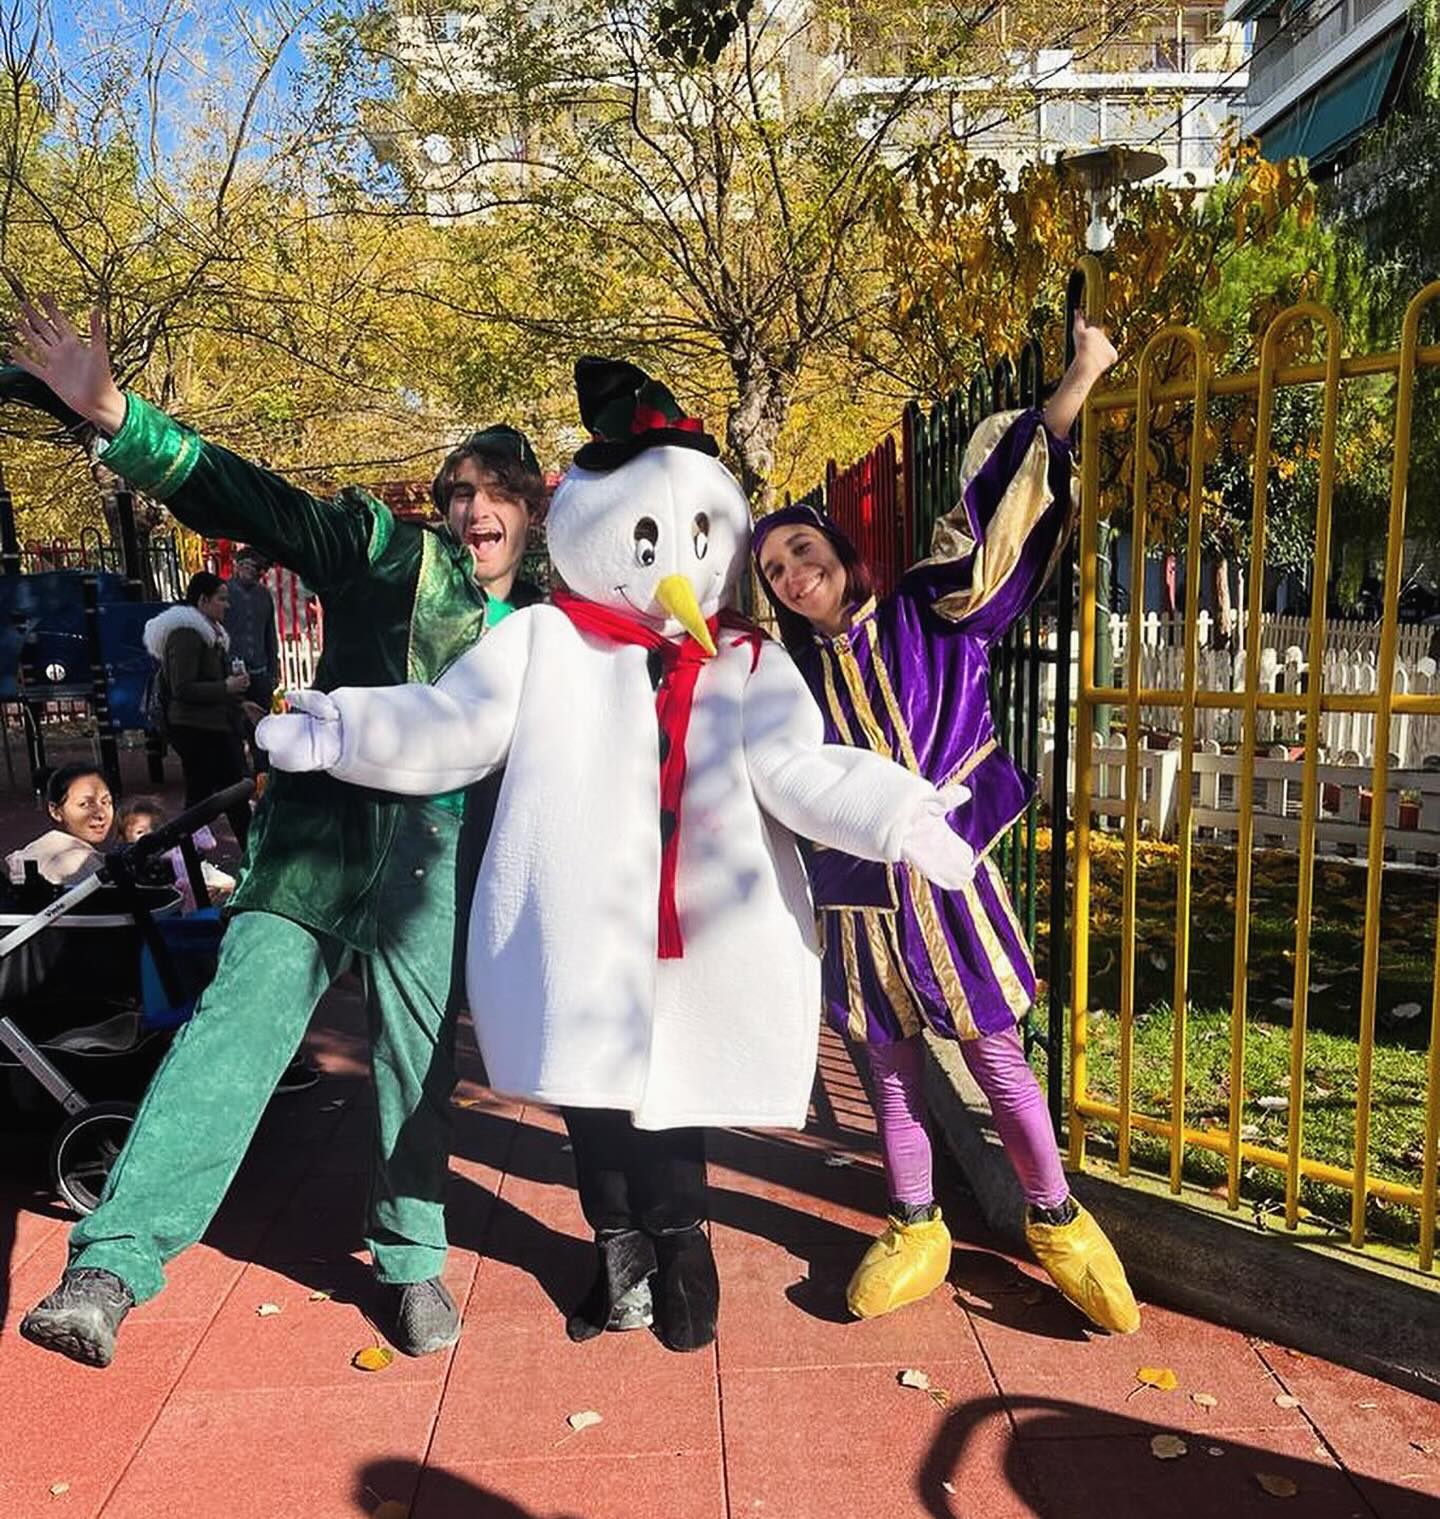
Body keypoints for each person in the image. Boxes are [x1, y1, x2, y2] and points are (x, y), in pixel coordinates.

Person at [5, 296, 545, 1370]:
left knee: (419, 1062)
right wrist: (119, 419)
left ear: (531, 509)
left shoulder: (545, 620)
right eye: (458, 490)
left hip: (437, 865)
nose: (473, 506)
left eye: (496, 491)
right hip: (316, 844)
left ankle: (410, 1255)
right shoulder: (388, 550)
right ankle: (110, 1265)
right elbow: (263, 501)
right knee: (233, 1034)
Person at [750, 312, 1141, 1336]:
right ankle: (914, 1224)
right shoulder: (784, 678)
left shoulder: (930, 611)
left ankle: (1056, 1219)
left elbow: (995, 520)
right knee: (888, 1069)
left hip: (949, 879)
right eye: (776, 570)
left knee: (999, 1055)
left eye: (802, 550)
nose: (794, 574)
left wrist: (1075, 382)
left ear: (838, 550)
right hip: (856, 897)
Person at [144, 571, 255, 849]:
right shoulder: (187, 634)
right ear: (203, 600)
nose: (227, 605)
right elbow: (183, 687)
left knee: (213, 792)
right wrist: (226, 687)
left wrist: (239, 702)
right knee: (221, 791)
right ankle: (197, 850)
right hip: (197, 727)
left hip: (212, 724)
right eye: (221, 599)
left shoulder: (209, 633)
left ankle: (194, 849)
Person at [116, 796, 236, 910]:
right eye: (140, 832)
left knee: (231, 886)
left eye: (154, 829)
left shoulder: (168, 846)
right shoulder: (131, 858)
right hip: (166, 902)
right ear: (123, 837)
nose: (149, 836)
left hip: (194, 883)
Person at [6, 762, 113, 888]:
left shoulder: (32, 853)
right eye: (84, 804)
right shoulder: (79, 863)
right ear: (55, 811)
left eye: (106, 802)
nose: (101, 814)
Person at [225, 546, 280, 771]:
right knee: (234, 727)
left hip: (259, 671)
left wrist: (273, 668)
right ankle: (240, 774)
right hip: (232, 672)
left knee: (261, 726)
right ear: (237, 566)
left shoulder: (264, 595)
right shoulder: (225, 593)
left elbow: (270, 635)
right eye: (246, 565)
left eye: (256, 568)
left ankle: (262, 772)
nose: (251, 571)